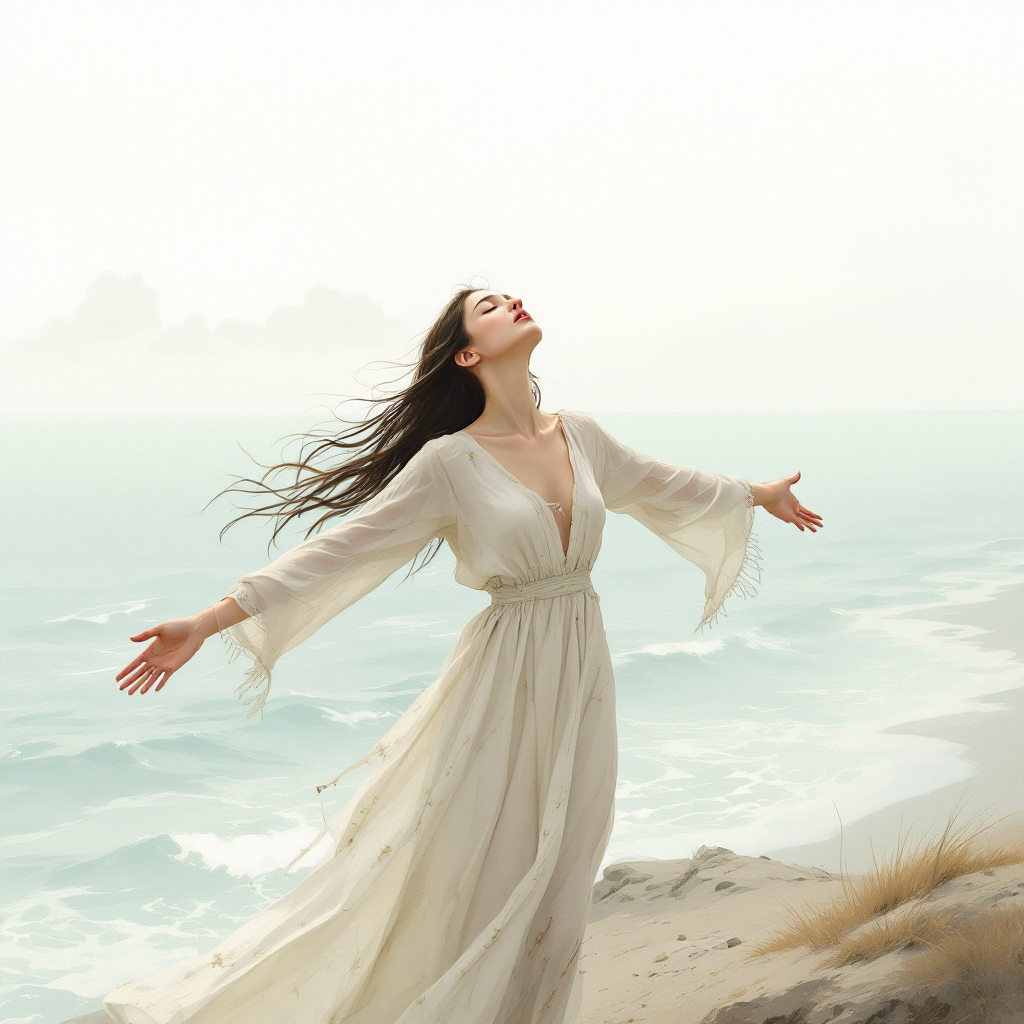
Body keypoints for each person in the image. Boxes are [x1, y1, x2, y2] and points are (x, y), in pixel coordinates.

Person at [103, 286, 822, 1024]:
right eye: (488, 304)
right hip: (501, 680)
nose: (512, 299)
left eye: (510, 294)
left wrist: (757, 493)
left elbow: (667, 484)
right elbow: (341, 551)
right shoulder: (448, 462)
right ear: (467, 354)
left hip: (581, 670)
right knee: (482, 865)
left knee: (565, 867)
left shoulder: (582, 435)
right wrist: (209, 620)